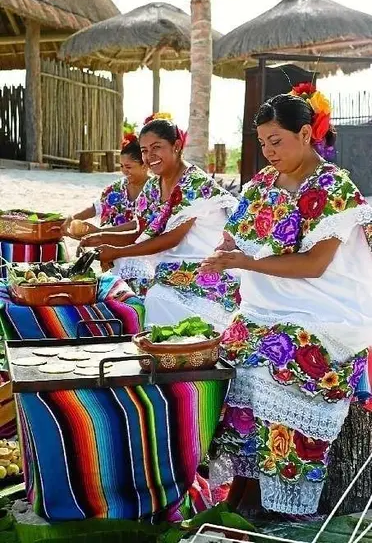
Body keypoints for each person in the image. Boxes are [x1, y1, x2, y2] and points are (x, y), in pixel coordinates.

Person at [201, 85, 372, 518]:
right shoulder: (262, 183)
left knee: (287, 351)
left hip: (326, 312)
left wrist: (245, 262)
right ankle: (244, 489)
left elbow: (315, 264)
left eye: (276, 142)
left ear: (305, 134)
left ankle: (278, 502)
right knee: (232, 353)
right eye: (262, 144)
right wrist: (226, 250)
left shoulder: (333, 187)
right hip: (265, 307)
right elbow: (237, 232)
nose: (268, 152)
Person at [81, 117, 240, 332]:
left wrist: (116, 251)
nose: (149, 156)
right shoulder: (153, 186)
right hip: (171, 264)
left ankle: (177, 351)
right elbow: (141, 231)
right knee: (122, 271)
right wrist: (101, 238)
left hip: (205, 264)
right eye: (145, 150)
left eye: (157, 148)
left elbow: (170, 238)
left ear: (176, 147)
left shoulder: (195, 183)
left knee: (157, 297)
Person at [63, 135, 152, 296]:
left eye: (129, 167)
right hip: (112, 248)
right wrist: (72, 217)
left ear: (144, 165)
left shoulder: (155, 189)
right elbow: (96, 207)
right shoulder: (117, 188)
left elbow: (137, 225)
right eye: (122, 166)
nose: (125, 171)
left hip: (143, 248)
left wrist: (100, 233)